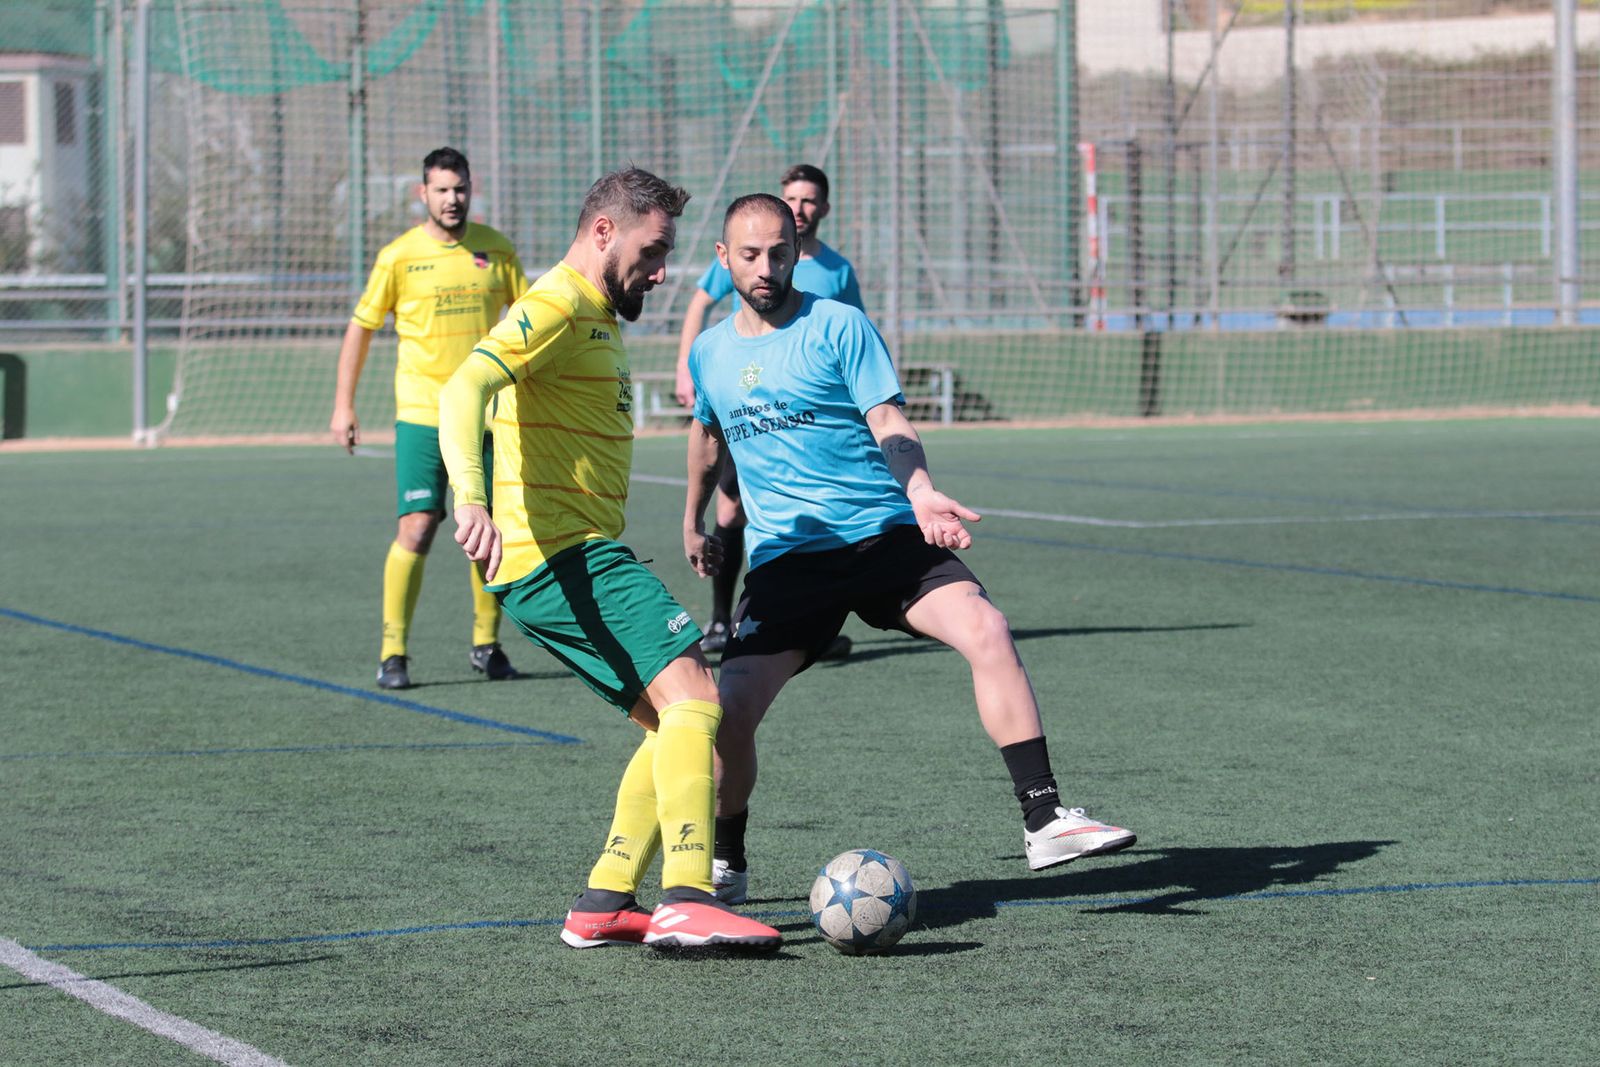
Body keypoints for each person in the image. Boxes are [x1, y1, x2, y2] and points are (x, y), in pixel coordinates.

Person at [682, 194, 1136, 905]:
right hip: (789, 560)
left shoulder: (839, 325)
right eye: (749, 254)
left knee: (986, 627)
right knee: (729, 707)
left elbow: (888, 416)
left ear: (798, 248)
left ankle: (1045, 817)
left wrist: (920, 489)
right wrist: (693, 518)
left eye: (778, 251)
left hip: (885, 534)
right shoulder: (709, 350)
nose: (766, 267)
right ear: (722, 258)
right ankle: (727, 859)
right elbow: (709, 435)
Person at [440, 167, 782, 951]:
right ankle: (690, 894)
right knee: (699, 697)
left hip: (558, 557)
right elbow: (464, 388)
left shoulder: (596, 310)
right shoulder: (557, 301)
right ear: (604, 232)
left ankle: (605, 897)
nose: (662, 272)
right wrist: (470, 494)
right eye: (653, 249)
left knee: (671, 725)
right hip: (564, 553)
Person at [330, 147, 527, 690]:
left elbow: (530, 320)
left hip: (487, 416)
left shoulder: (496, 249)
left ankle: (487, 645)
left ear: (471, 187)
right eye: (441, 189)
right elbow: (361, 327)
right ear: (423, 194)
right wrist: (344, 403)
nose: (452, 198)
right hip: (422, 414)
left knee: (488, 529)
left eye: (460, 188)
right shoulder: (399, 257)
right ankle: (393, 652)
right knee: (417, 528)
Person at [673, 164, 861, 658]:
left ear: (823, 208)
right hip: (753, 406)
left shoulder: (837, 271)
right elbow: (700, 302)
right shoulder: (748, 247)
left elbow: (851, 337)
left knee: (817, 511)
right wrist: (685, 368)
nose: (799, 208)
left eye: (809, 200)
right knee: (732, 509)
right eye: (792, 199)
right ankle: (720, 619)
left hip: (813, 422)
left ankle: (816, 620)